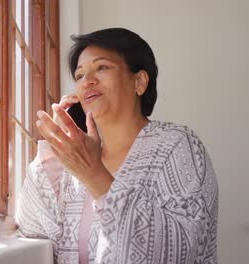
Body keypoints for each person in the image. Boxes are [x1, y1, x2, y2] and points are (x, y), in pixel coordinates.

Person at [15, 28, 218, 264]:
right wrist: (57, 148)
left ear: (139, 82)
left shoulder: (177, 144)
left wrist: (93, 174)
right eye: (80, 75)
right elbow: (32, 227)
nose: (87, 81)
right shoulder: (74, 164)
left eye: (101, 67)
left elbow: (182, 248)